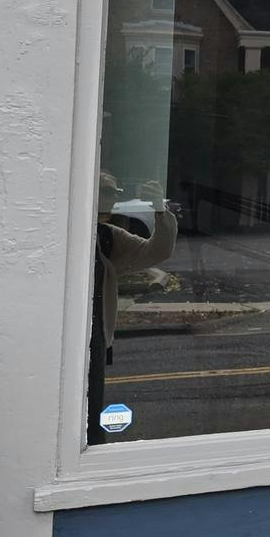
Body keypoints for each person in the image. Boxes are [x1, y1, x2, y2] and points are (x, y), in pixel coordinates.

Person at [89, 172, 179, 445]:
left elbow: (158, 250)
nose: (113, 199)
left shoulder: (107, 236)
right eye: (106, 192)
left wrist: (159, 210)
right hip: (59, 340)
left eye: (115, 193)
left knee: (91, 417)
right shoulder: (64, 231)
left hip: (94, 341)